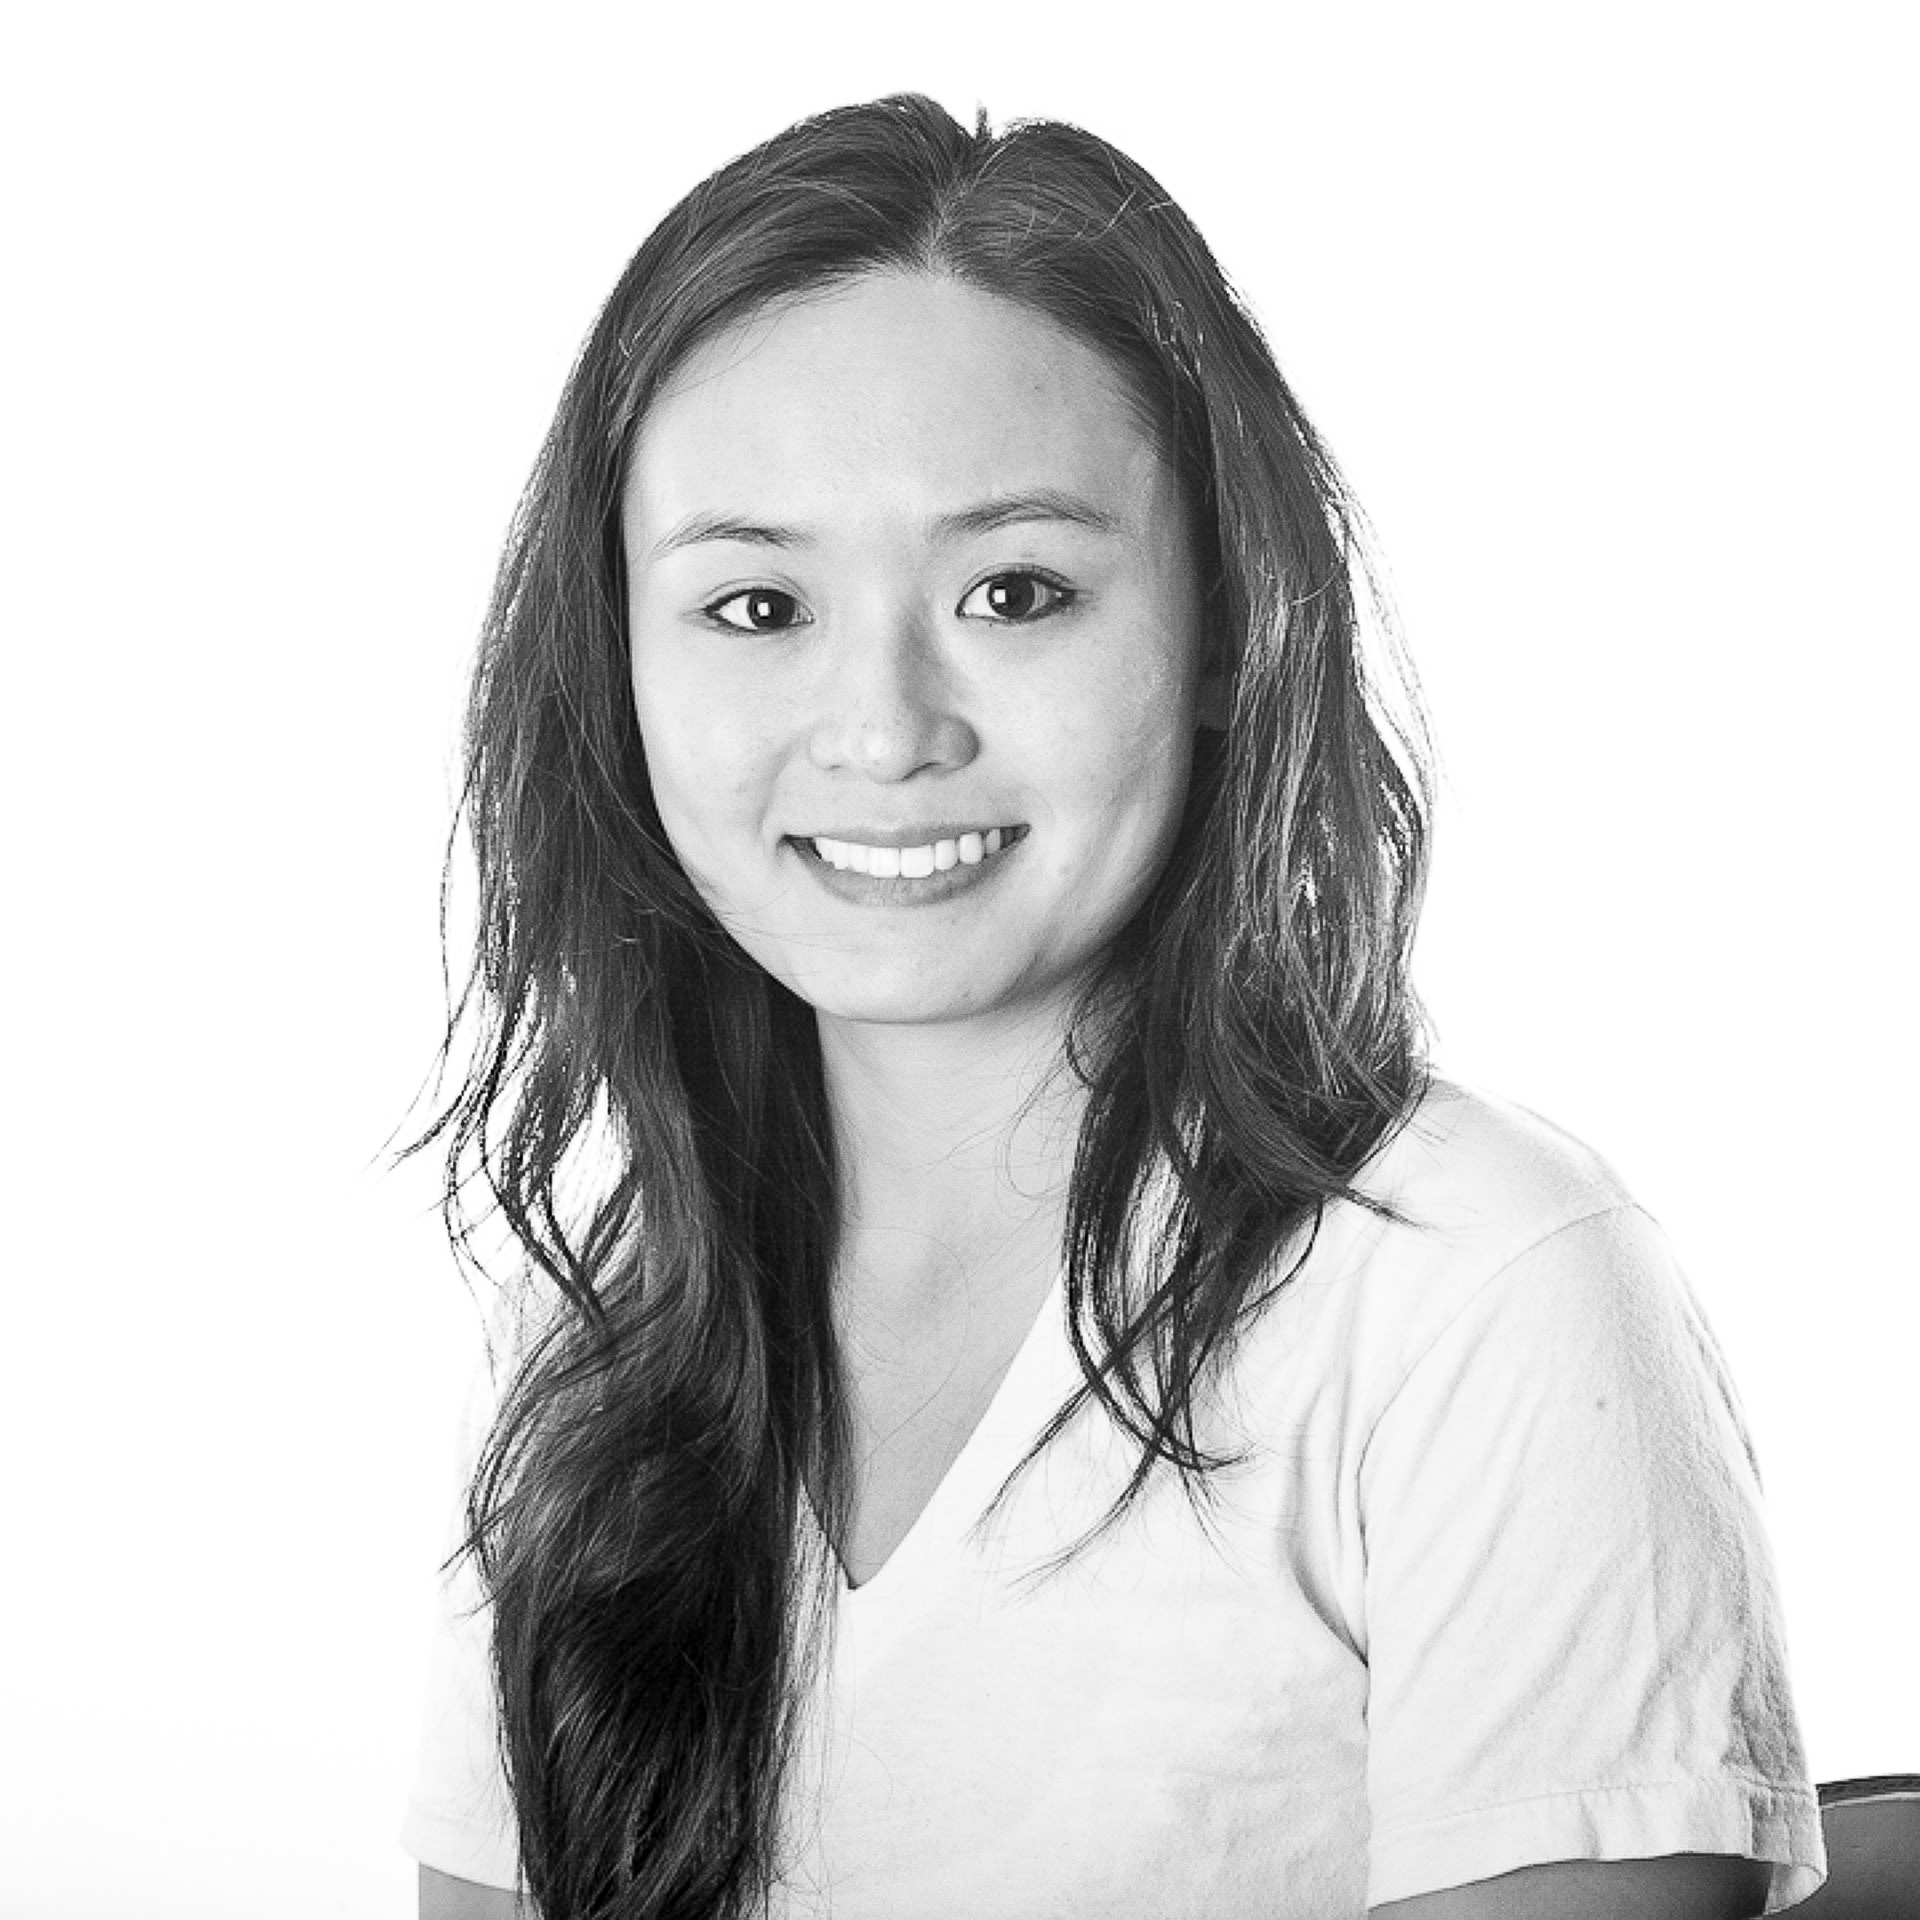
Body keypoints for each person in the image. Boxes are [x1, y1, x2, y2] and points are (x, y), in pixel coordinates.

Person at [402, 95, 1825, 1920]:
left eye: (1016, 592)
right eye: (755, 606)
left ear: (1228, 629)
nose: (882, 730)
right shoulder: (593, 1327)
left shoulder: (1475, 1295)